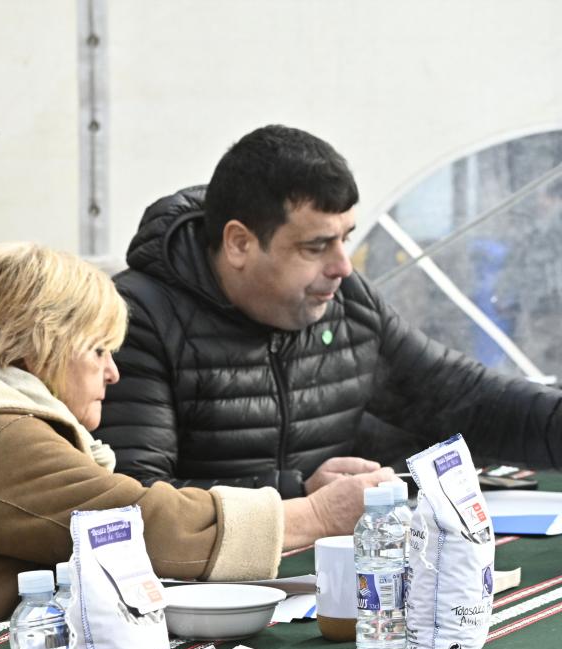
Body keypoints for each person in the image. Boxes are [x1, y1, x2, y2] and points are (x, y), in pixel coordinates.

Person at [0, 243, 390, 649]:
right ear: (40, 344)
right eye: (98, 349)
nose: (114, 372)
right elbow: (138, 522)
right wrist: (317, 514)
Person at [101, 124, 562, 497]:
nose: (343, 266)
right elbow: (134, 499)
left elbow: (464, 399)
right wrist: (297, 494)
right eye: (316, 246)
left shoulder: (347, 302)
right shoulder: (136, 320)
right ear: (239, 243)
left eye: (345, 237)